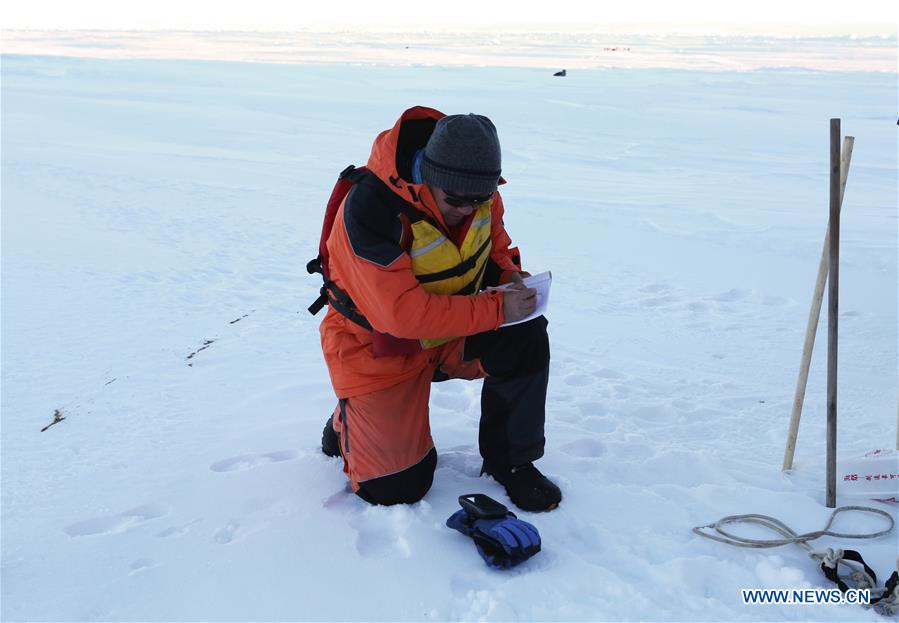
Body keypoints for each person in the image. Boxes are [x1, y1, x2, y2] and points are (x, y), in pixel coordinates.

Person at [318, 106, 561, 512]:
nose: (468, 209)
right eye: (457, 200)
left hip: (450, 332)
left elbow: (494, 245)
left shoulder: (478, 194)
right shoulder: (370, 209)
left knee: (526, 337)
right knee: (396, 488)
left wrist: (508, 274)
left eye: (480, 198)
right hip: (377, 348)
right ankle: (348, 422)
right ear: (429, 177)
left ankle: (511, 462)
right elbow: (400, 317)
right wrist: (499, 308)